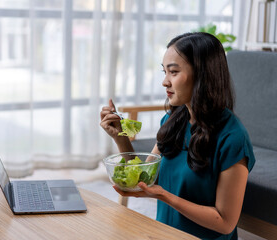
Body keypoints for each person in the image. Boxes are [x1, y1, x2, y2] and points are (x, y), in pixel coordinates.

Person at [99, 32, 255, 240]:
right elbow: (146, 177)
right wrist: (120, 137)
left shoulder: (233, 138)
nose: (165, 82)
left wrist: (164, 195)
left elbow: (225, 223)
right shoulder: (173, 121)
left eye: (173, 72)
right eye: (164, 72)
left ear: (202, 75)